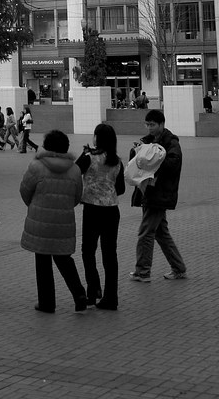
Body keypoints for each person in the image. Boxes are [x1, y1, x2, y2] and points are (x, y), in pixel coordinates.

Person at [19, 129, 87, 313]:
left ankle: (47, 303)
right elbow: (76, 197)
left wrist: (34, 206)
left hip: (39, 221)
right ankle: (79, 294)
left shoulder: (36, 166)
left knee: (42, 262)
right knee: (64, 259)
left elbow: (25, 190)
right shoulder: (74, 170)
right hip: (63, 221)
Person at [129, 109, 187, 283]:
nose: (149, 128)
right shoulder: (146, 140)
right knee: (161, 233)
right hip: (148, 191)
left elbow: (174, 163)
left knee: (146, 232)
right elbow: (136, 160)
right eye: (147, 125)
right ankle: (178, 268)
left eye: (152, 125)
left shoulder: (171, 141)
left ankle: (142, 271)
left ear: (162, 124)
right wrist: (137, 152)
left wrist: (153, 158)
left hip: (159, 194)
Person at [76, 123, 125, 310]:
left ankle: (93, 288)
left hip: (92, 209)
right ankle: (111, 297)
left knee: (88, 251)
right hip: (112, 210)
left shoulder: (89, 158)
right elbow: (120, 189)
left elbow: (74, 172)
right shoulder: (117, 161)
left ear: (97, 138)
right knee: (109, 254)